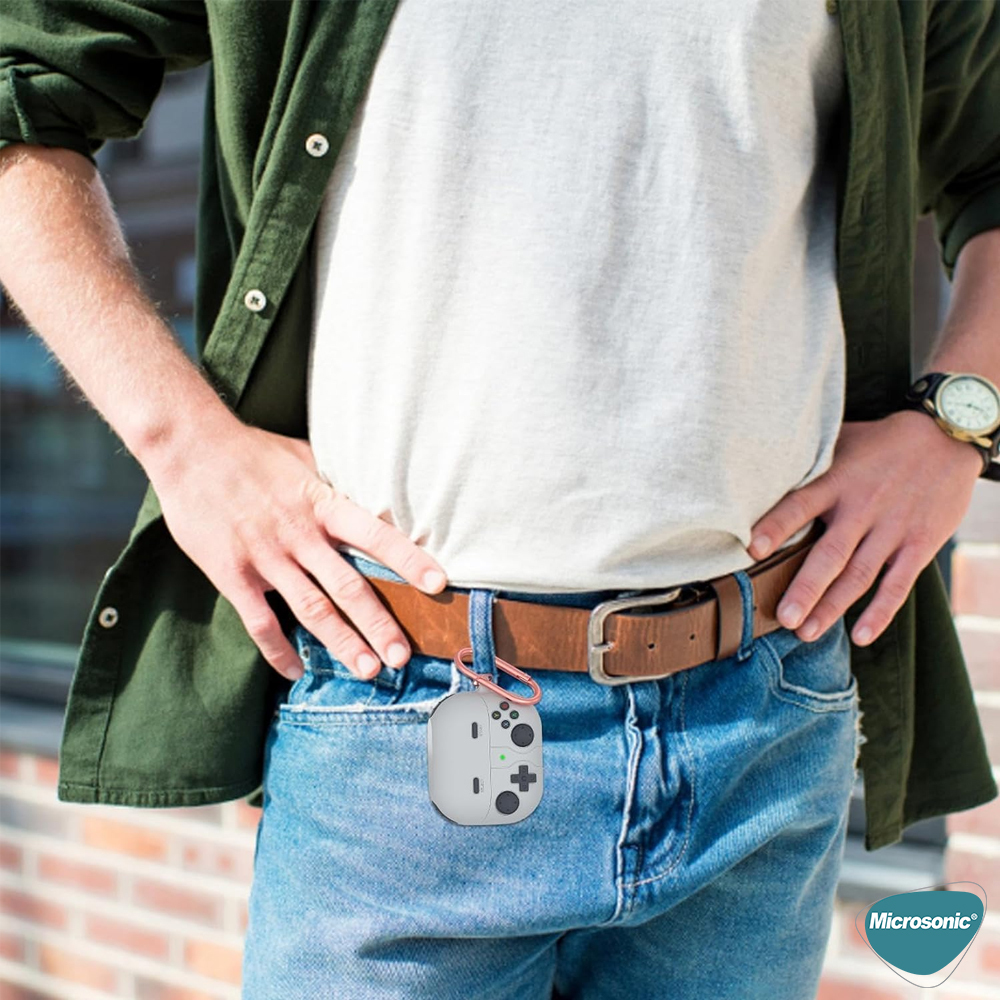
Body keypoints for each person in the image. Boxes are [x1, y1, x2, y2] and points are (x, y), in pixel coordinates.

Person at [1, 1, 998, 996]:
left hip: (765, 716)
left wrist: (959, 421)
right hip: (408, 708)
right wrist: (184, 445)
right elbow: (20, 82)